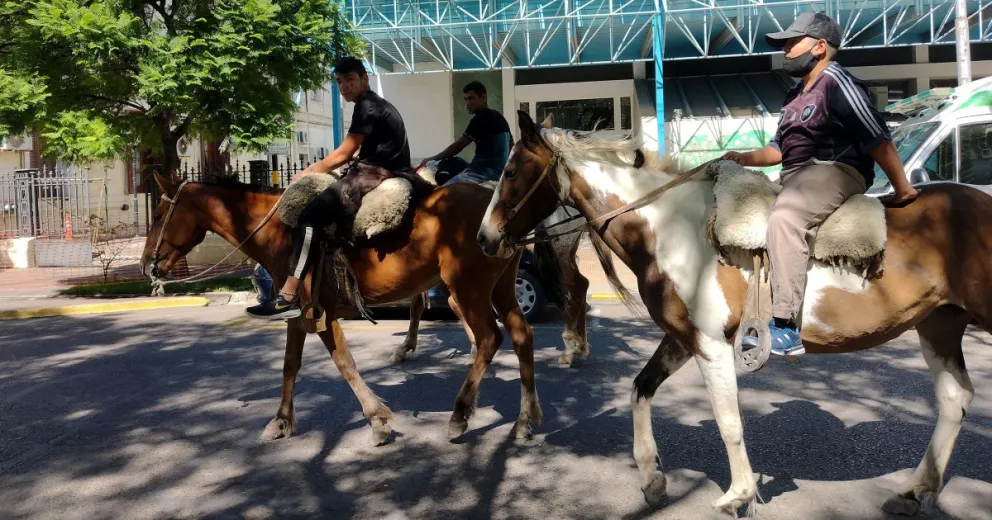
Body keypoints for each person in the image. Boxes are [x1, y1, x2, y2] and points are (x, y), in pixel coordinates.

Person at [721, 12, 919, 355]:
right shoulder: (795, 95)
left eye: (793, 42)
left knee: (786, 218)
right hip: (795, 174)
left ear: (821, 46)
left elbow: (876, 136)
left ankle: (785, 325)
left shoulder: (836, 81)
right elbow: (778, 149)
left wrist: (903, 189)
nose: (786, 50)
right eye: (785, 44)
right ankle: (754, 311)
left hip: (834, 168)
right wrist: (742, 158)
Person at [246, 56, 413, 320]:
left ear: (364, 79)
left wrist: (306, 172)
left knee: (310, 216)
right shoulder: (373, 105)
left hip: (376, 174)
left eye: (349, 80)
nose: (344, 86)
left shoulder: (367, 106)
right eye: (339, 82)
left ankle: (288, 294)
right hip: (378, 168)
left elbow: (343, 154)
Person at [419, 81, 512, 185]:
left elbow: (458, 146)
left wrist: (433, 158)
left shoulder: (481, 118)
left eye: (471, 98)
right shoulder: (499, 117)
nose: (467, 103)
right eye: (465, 99)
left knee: (442, 193)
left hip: (480, 173)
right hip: (500, 174)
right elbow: (511, 146)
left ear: (483, 98)